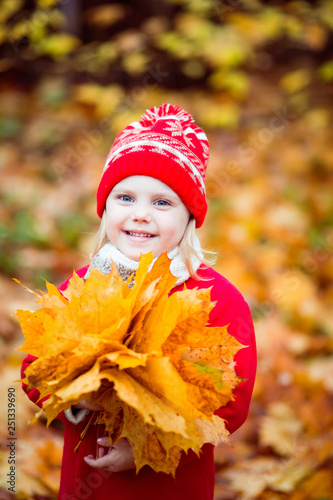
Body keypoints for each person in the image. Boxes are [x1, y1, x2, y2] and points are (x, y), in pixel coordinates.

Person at [21, 104, 257, 500]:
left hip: (168, 482)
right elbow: (36, 365)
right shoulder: (84, 285)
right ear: (105, 208)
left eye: (162, 203)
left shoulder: (215, 299)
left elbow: (229, 400)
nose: (141, 215)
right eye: (126, 197)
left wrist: (149, 445)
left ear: (189, 218)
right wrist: (72, 399)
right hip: (87, 479)